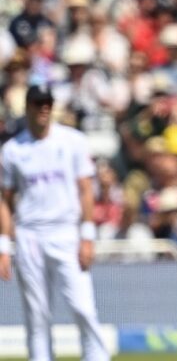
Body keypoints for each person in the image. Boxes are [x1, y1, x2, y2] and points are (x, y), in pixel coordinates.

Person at [0, 84, 110, 361]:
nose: (43, 109)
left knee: (83, 306)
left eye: (47, 103)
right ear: (27, 108)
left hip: (66, 232)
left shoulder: (72, 141)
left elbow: (86, 190)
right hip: (30, 235)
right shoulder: (13, 150)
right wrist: (4, 245)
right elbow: (5, 200)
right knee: (37, 314)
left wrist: (87, 236)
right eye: (38, 103)